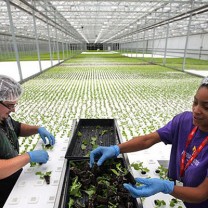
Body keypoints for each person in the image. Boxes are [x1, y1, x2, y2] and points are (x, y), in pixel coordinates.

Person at [90, 77, 208, 208]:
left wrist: (166, 187)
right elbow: (148, 140)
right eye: (195, 102)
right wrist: (116, 149)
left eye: (206, 107)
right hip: (181, 194)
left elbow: (201, 194)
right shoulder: (183, 121)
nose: (196, 110)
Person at [0, 75, 55, 207]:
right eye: (10, 105)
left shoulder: (3, 116)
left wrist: (38, 129)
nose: (13, 110)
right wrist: (28, 157)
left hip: (13, 177)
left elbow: (17, 128)